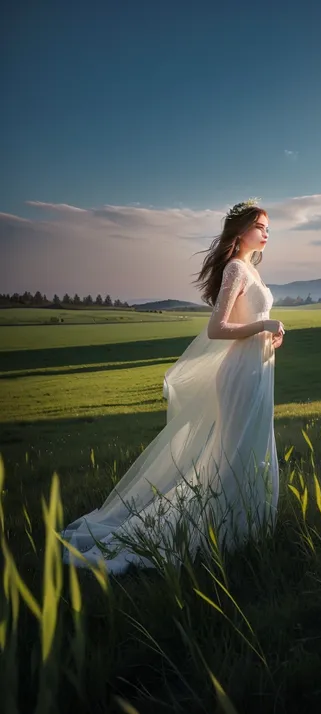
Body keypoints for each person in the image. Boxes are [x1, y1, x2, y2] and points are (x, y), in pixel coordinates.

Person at [61, 200, 285, 573]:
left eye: (268, 228)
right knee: (232, 455)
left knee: (251, 449)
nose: (266, 233)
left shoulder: (252, 270)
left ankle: (244, 532)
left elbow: (255, 318)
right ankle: (217, 534)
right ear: (241, 230)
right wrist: (262, 327)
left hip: (258, 368)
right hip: (239, 373)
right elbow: (218, 329)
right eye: (261, 226)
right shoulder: (235, 269)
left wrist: (271, 333)